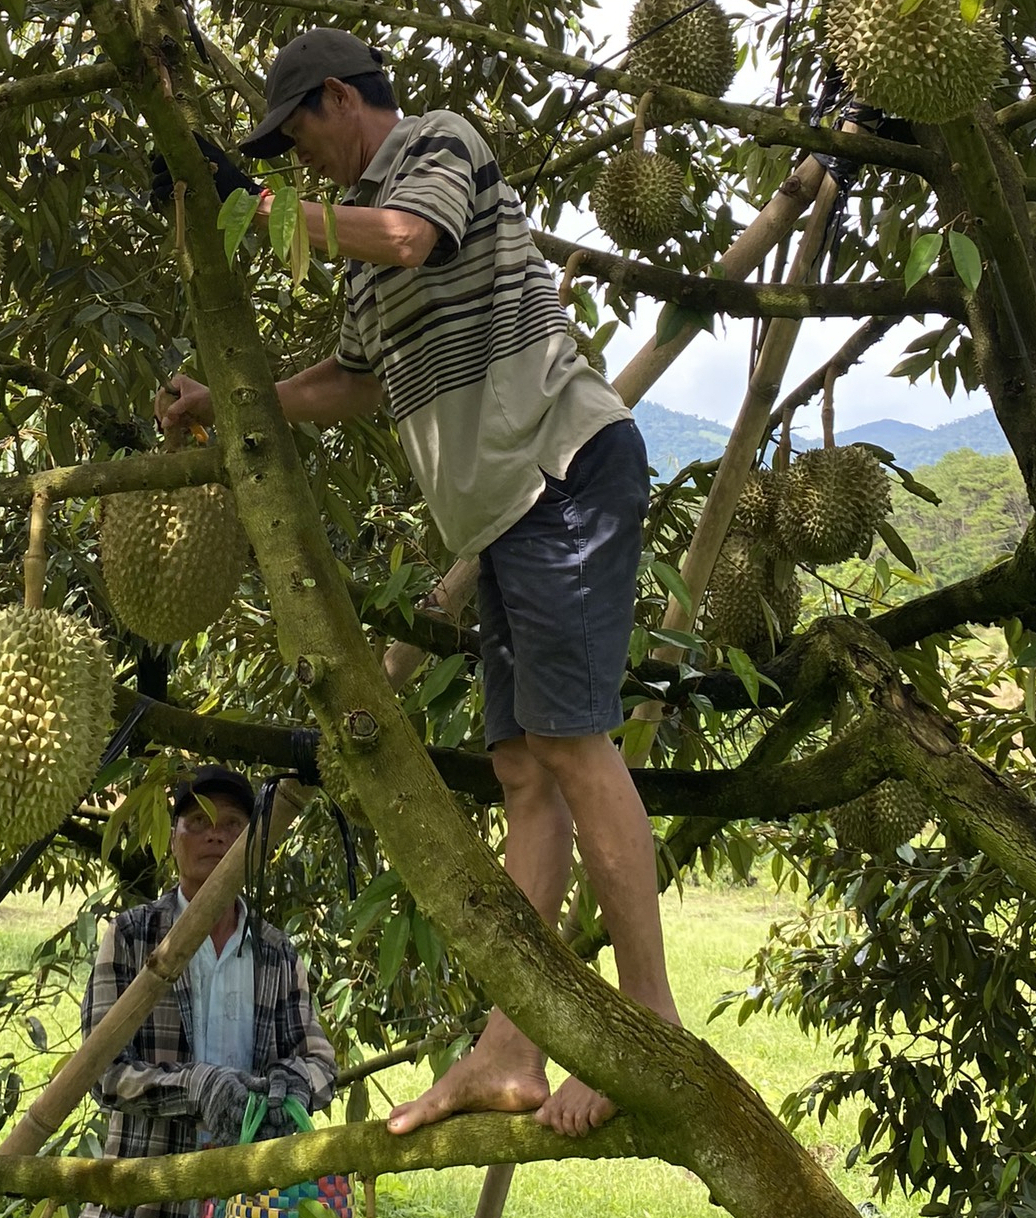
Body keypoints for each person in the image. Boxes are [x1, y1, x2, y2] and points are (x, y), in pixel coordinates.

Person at [155, 28, 681, 1138]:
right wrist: (225, 400)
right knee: (523, 775)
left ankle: (650, 1032)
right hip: (501, 520)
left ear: (339, 99)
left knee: (578, 755)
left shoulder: (439, 146)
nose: (299, 165)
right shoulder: (351, 251)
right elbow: (348, 382)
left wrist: (252, 207)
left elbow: (406, 235)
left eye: (297, 136)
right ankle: (507, 1046)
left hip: (562, 473)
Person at [80, 766, 336, 1218]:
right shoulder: (132, 938)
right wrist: (195, 1086)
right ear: (174, 839)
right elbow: (102, 1073)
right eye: (198, 822)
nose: (215, 837)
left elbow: (317, 1061)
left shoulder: (274, 952)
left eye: (233, 825)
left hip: (250, 1198)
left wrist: (287, 1086)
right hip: (144, 1193)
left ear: (253, 843)